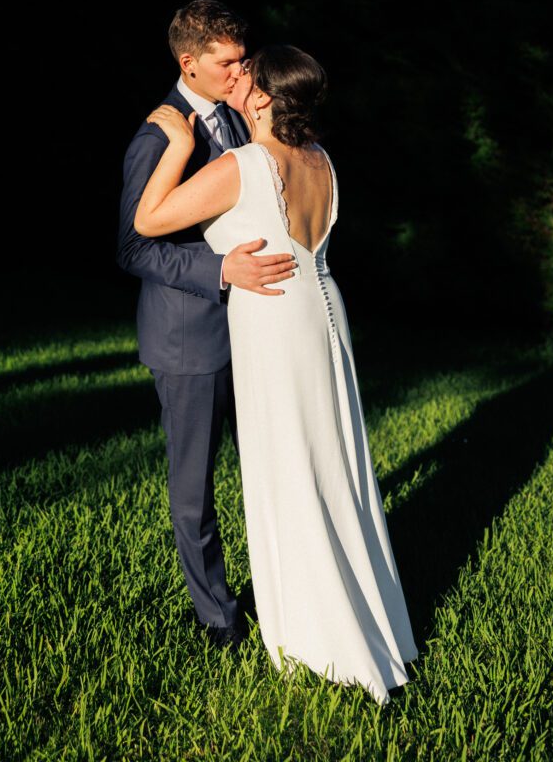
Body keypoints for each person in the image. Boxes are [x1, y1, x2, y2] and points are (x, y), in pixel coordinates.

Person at [134, 44, 418, 703]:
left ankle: (319, 641)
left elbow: (148, 221)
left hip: (271, 320)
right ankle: (368, 619)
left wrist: (176, 147)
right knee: (334, 465)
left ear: (262, 97)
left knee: (288, 469)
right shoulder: (320, 159)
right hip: (322, 311)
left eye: (247, 74)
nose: (237, 79)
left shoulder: (245, 163)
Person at [117, 1, 296, 651]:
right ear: (188, 62)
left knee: (273, 465)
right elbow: (134, 249)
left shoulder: (247, 113)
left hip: (260, 325)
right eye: (227, 62)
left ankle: (282, 586)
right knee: (195, 491)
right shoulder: (158, 139)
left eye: (244, 57)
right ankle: (218, 616)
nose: (241, 70)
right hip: (188, 339)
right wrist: (221, 269)